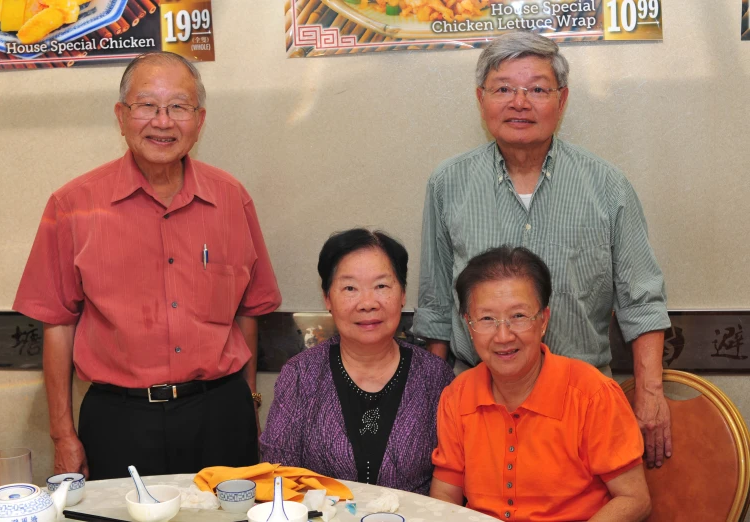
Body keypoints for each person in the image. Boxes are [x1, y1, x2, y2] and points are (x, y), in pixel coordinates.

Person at [13, 52, 282, 480]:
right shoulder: (72, 206)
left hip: (220, 414)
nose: (163, 121)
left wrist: (248, 403)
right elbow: (57, 325)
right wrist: (63, 435)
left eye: (178, 106)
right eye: (146, 106)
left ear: (200, 119)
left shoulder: (232, 198)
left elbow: (248, 312)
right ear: (121, 116)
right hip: (119, 419)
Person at [413, 31, 672, 467]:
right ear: (481, 99)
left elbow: (641, 302)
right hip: (479, 409)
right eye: (503, 89)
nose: (519, 102)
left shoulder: (607, 187)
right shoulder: (447, 185)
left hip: (583, 409)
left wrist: (650, 394)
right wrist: (434, 405)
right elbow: (436, 307)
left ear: (562, 99)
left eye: (536, 89)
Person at [430, 246, 650, 521]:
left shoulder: (592, 394)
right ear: (468, 325)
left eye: (518, 316)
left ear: (544, 320)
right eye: (486, 319)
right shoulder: (457, 395)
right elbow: (445, 496)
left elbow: (634, 498)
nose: (503, 336)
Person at [260, 229, 453, 494]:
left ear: (403, 294)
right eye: (350, 288)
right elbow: (277, 479)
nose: (367, 303)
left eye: (381, 286)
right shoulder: (301, 374)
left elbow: (451, 487)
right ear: (328, 298)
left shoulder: (435, 376)